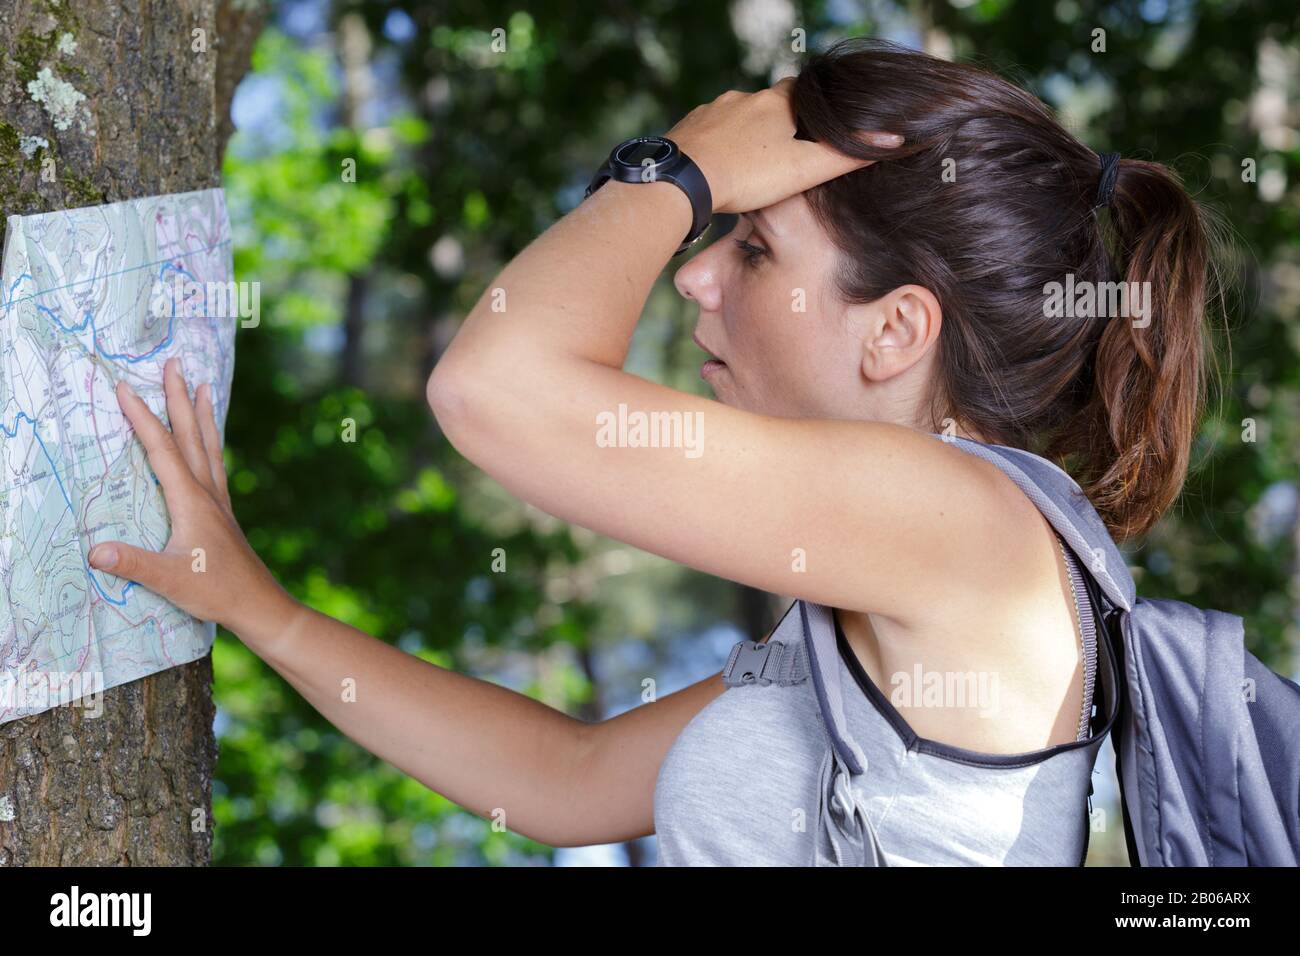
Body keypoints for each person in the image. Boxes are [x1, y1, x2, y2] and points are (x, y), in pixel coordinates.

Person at [88, 38, 1218, 864]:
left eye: (756, 249)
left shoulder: (972, 527)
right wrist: (256, 604)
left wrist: (675, 170)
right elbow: (561, 782)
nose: (696, 272)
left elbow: (492, 389)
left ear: (896, 332)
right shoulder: (907, 576)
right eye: (720, 232)